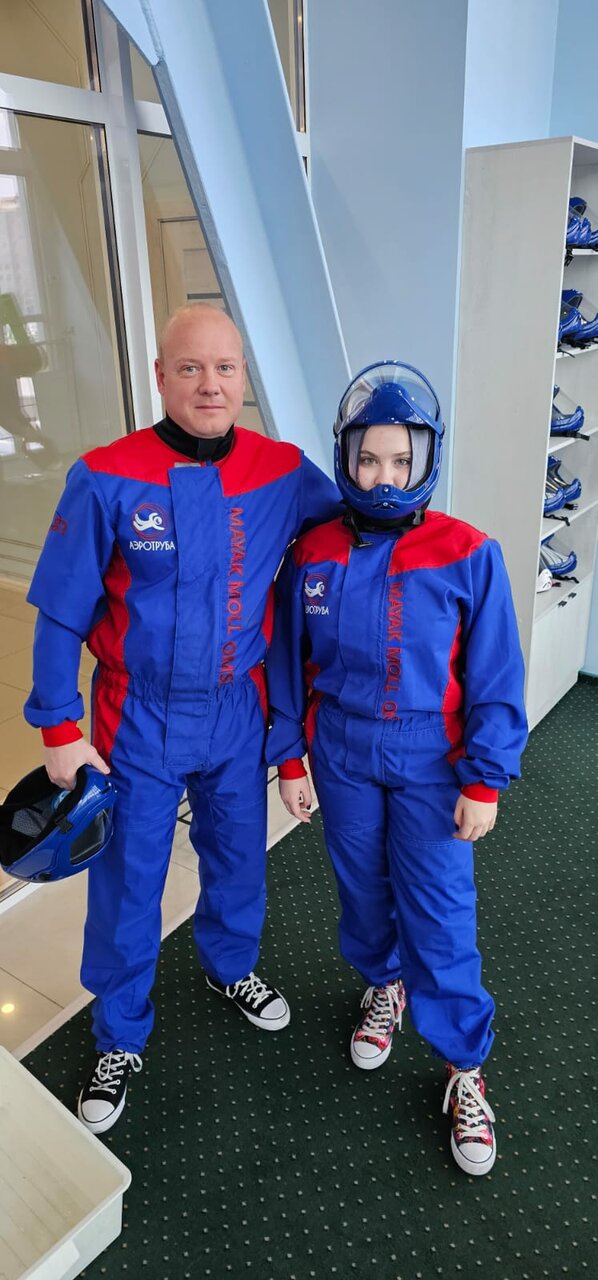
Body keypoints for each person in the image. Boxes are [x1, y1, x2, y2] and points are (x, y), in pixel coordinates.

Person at [24, 303, 339, 1134]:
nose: (210, 385)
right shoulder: (106, 476)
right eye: (190, 368)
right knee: (129, 881)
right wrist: (59, 728)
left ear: (243, 378)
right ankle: (119, 1034)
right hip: (136, 717)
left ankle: (229, 966)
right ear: (160, 376)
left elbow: (345, 531)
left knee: (238, 856)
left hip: (236, 711)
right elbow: (59, 612)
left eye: (225, 368)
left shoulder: (282, 470)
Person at [266, 361, 528, 1177]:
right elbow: (286, 663)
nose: (384, 475)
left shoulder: (468, 553)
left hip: (432, 759)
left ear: (426, 460)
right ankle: (385, 985)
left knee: (440, 909)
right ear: (346, 458)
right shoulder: (313, 553)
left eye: (400, 460)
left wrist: (484, 779)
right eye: (369, 458)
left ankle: (464, 1067)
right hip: (341, 753)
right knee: (363, 890)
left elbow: (496, 675)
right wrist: (289, 758)